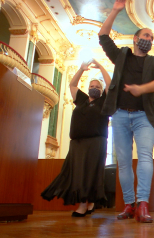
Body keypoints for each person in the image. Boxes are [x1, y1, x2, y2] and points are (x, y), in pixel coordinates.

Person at [98, 0, 154, 223]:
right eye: (145, 36)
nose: (149, 39)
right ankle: (129, 205)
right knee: (125, 161)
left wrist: (142, 89)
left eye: (151, 37)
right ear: (135, 38)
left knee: (145, 157)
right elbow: (103, 36)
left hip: (144, 117)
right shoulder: (121, 56)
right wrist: (115, 10)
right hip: (119, 115)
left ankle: (143, 205)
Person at [41, 59, 111, 217]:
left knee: (91, 172)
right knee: (78, 172)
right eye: (91, 87)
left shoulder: (103, 102)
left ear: (101, 90)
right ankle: (88, 202)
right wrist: (81, 69)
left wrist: (100, 66)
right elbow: (72, 85)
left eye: (97, 87)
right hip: (78, 143)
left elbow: (110, 83)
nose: (94, 89)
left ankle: (85, 204)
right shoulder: (82, 100)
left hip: (96, 142)